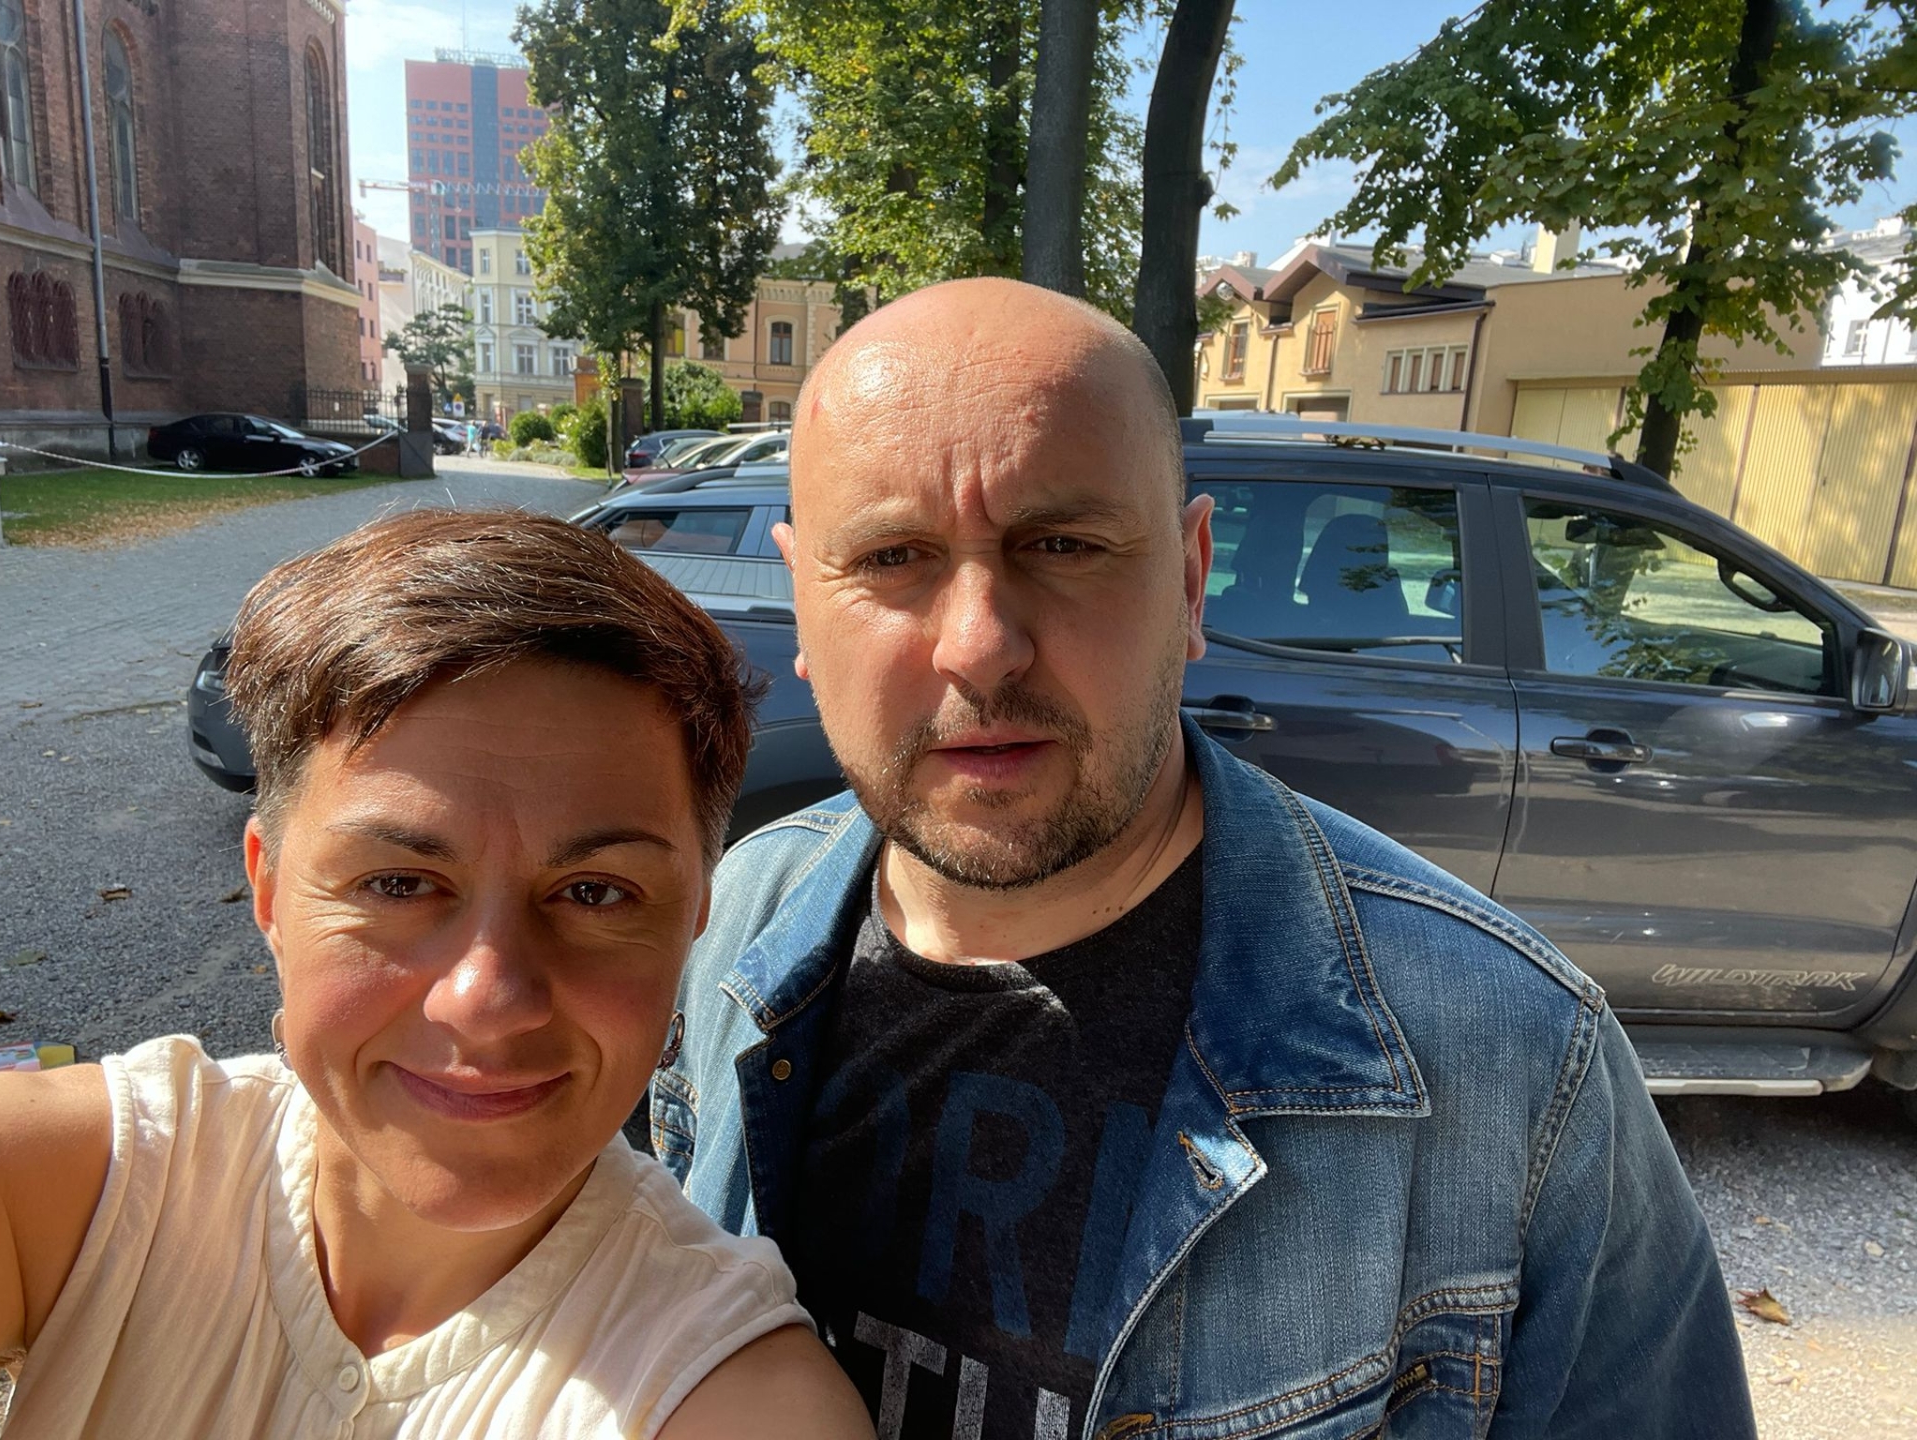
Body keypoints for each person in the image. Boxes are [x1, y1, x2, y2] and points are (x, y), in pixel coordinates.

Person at [655, 278, 1756, 1439]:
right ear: (802, 602)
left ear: (1188, 580)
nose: (979, 646)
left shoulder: (1513, 1059)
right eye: (892, 557)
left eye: (1062, 544)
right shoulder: (721, 930)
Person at [0, 510, 871, 1439]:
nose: (486, 1000)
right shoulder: (90, 1184)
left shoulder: (740, 1397)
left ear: (694, 919)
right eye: (399, 883)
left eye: (595, 893)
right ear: (270, 892)